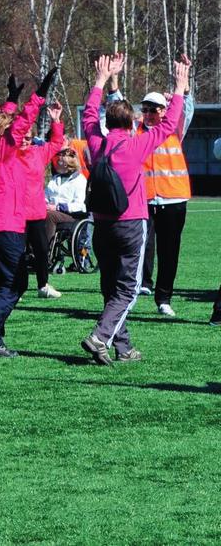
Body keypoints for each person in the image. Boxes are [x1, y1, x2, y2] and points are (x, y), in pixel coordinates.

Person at [80, 53, 187, 365]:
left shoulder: (97, 143)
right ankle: (100, 335)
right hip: (130, 224)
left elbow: (88, 115)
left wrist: (100, 80)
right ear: (131, 123)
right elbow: (168, 124)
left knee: (110, 287)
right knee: (126, 291)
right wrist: (180, 88)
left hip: (101, 226)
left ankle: (122, 346)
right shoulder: (136, 144)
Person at [0, 70, 55, 357]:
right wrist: (39, 94)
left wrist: (12, 99)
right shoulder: (5, 148)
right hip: (7, 226)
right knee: (17, 283)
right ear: (4, 134)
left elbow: (1, 124)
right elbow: (22, 122)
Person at [135, 55, 194, 316]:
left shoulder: (174, 129)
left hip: (173, 199)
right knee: (139, 246)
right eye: (145, 109)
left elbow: (187, 109)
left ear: (164, 111)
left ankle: (164, 298)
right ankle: (141, 286)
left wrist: (184, 83)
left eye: (154, 109)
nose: (148, 114)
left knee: (170, 250)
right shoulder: (135, 132)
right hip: (144, 199)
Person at [14, 104, 65, 299]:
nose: (25, 141)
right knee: (18, 253)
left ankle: (43, 285)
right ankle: (18, 288)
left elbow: (56, 143)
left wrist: (56, 120)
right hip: (16, 213)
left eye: (28, 137)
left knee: (42, 250)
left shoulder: (38, 152)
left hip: (36, 212)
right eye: (22, 137)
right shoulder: (9, 154)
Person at [44, 146, 88, 243]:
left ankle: (45, 249)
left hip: (72, 216)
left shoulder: (80, 180)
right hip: (53, 211)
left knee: (50, 215)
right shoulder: (55, 179)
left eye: (58, 161)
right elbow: (46, 196)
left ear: (66, 165)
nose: (55, 164)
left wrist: (58, 207)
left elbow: (79, 205)